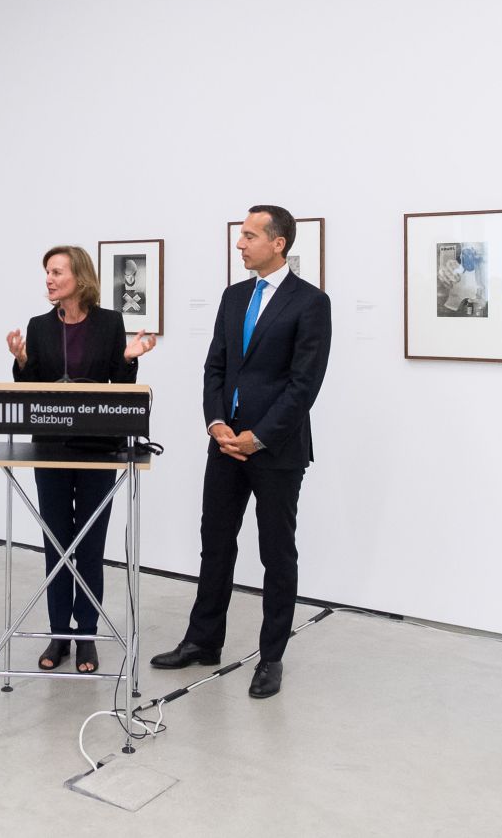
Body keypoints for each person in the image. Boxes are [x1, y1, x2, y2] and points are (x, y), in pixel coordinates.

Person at [151, 205, 332, 700]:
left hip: (276, 449)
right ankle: (203, 641)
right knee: (216, 544)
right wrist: (216, 423)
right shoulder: (233, 297)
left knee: (277, 553)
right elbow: (216, 365)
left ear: (278, 243)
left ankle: (271, 656)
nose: (240, 244)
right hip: (224, 444)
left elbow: (304, 385)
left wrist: (258, 435)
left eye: (249, 236)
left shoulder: (311, 303)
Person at [4, 247, 157, 674]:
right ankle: (59, 633)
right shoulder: (38, 326)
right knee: (56, 541)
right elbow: (31, 388)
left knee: (89, 544)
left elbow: (117, 382)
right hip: (49, 448)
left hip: (98, 447)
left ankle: (86, 634)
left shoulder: (109, 322)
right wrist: (20, 361)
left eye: (56, 272)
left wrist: (129, 358)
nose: (49, 280)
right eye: (46, 273)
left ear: (79, 276)